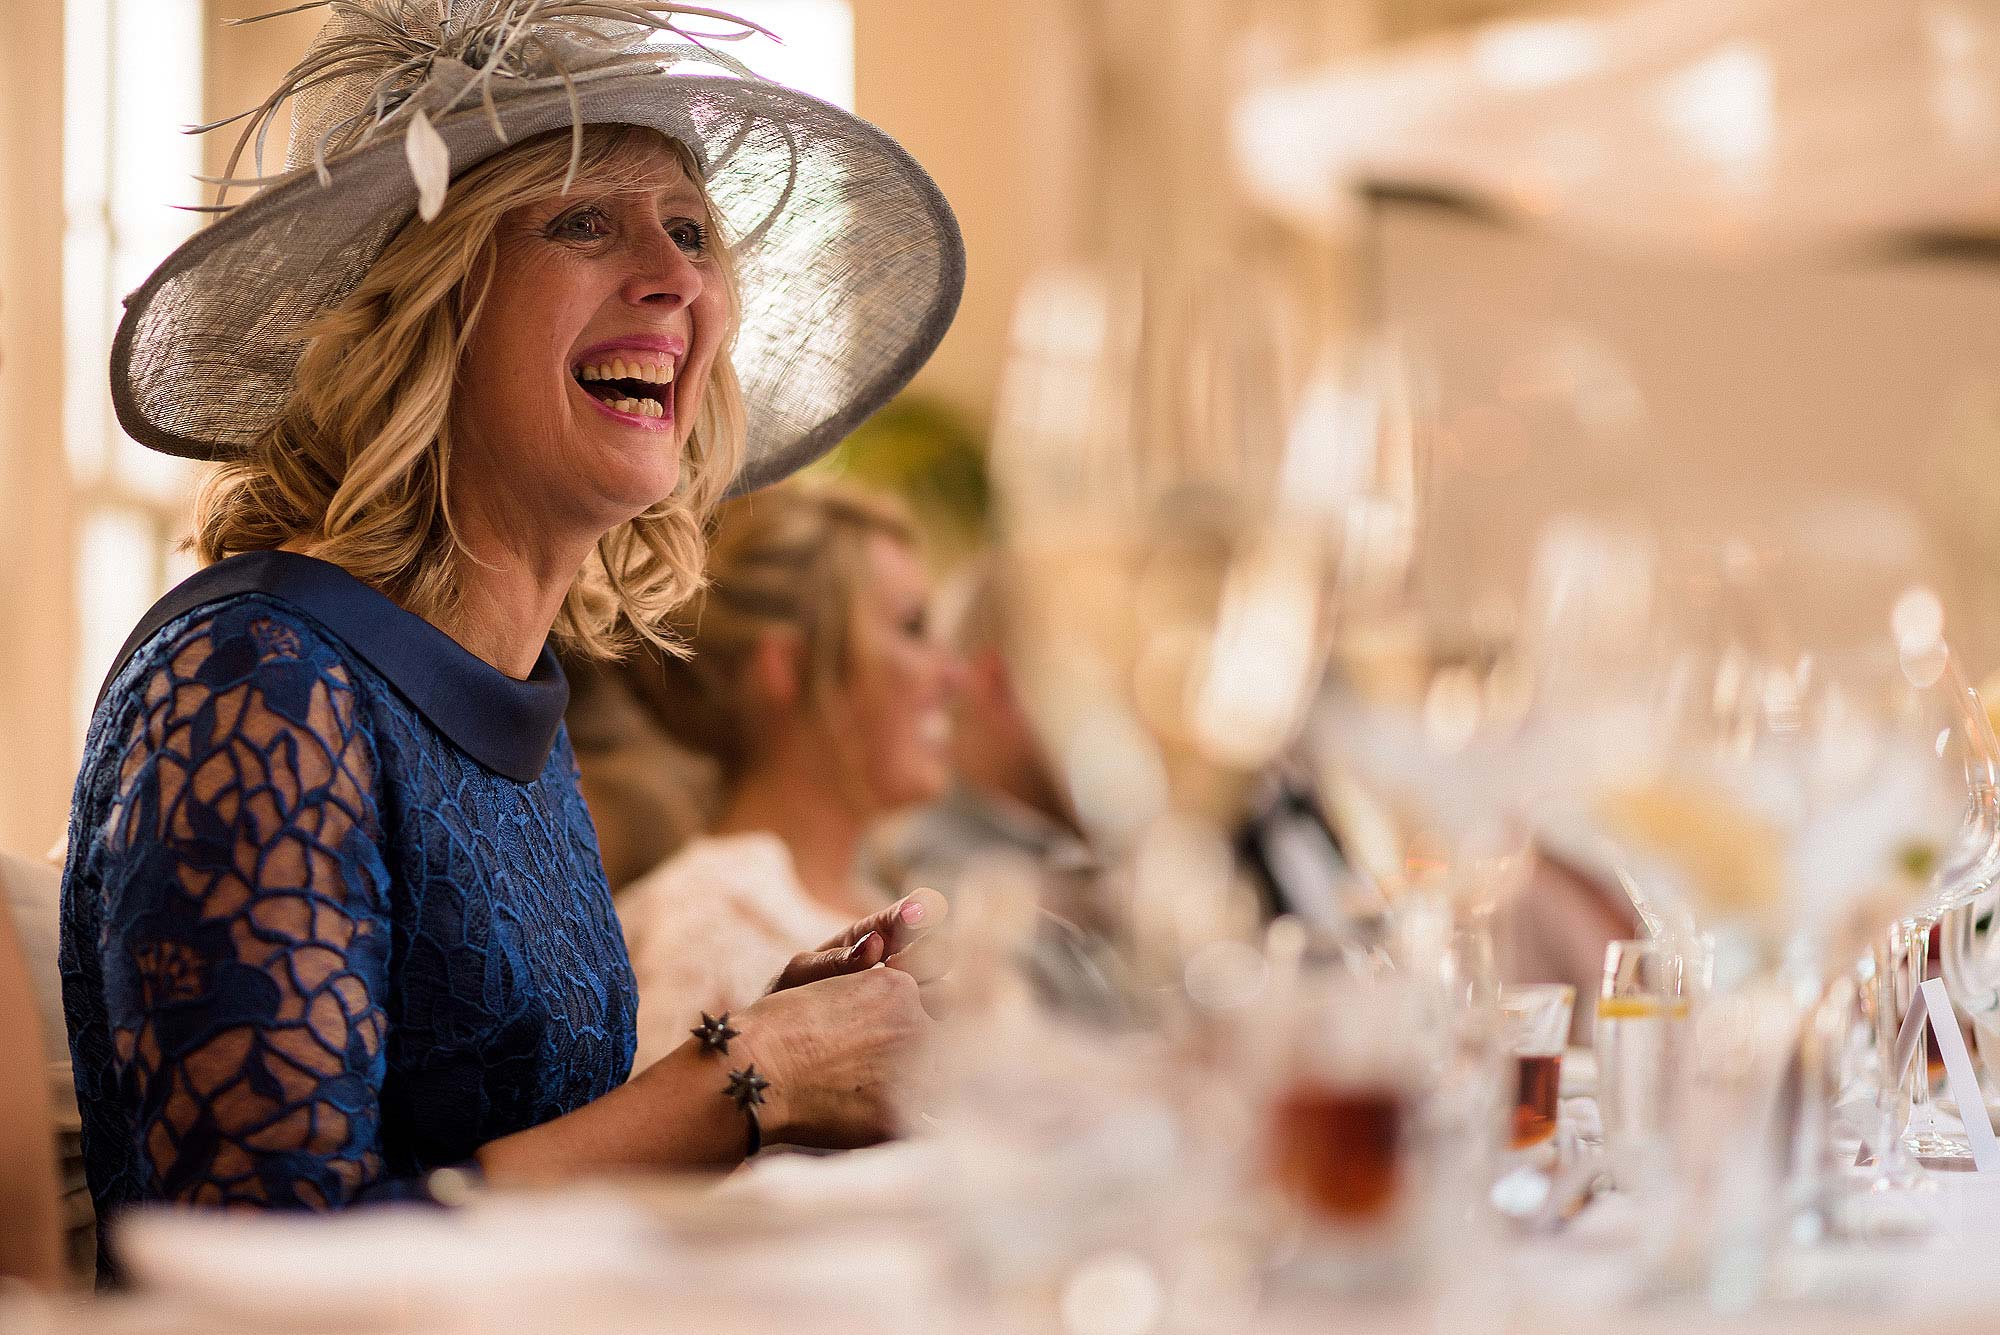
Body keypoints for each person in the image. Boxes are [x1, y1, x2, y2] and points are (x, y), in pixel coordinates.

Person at [57, 0, 964, 1260]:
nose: (676, 278)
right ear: (430, 302)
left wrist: (778, 1040)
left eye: (689, 231)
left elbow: (511, 1163)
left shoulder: (504, 697)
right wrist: (745, 1079)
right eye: (583, 221)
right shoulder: (258, 678)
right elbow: (271, 1271)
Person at [592, 483, 965, 1068]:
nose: (952, 675)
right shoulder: (699, 925)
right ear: (786, 665)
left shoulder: (878, 901)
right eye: (912, 627)